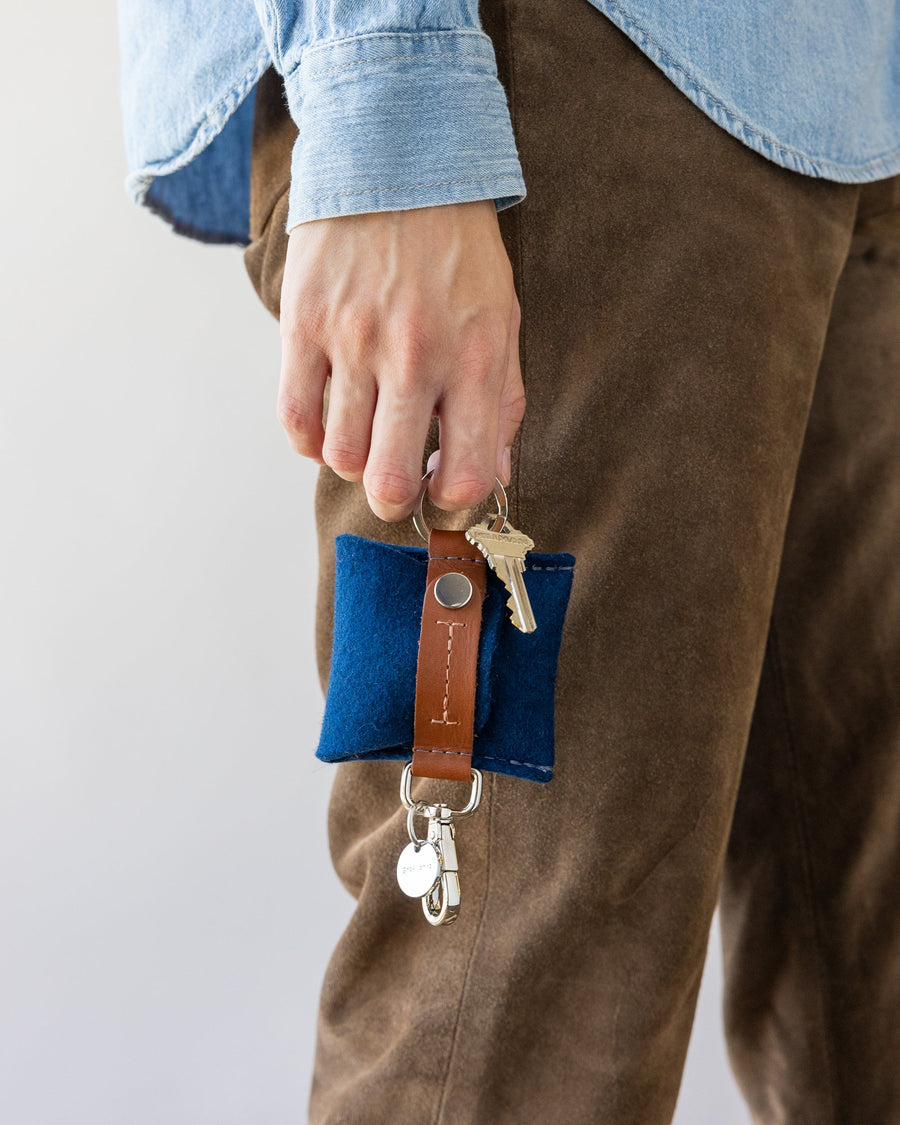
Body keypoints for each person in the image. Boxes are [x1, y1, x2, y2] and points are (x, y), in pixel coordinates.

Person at [117, 1, 900, 1120]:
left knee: (869, 963)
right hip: (568, 62)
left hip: (844, 86)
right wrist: (388, 86)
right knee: (515, 1023)